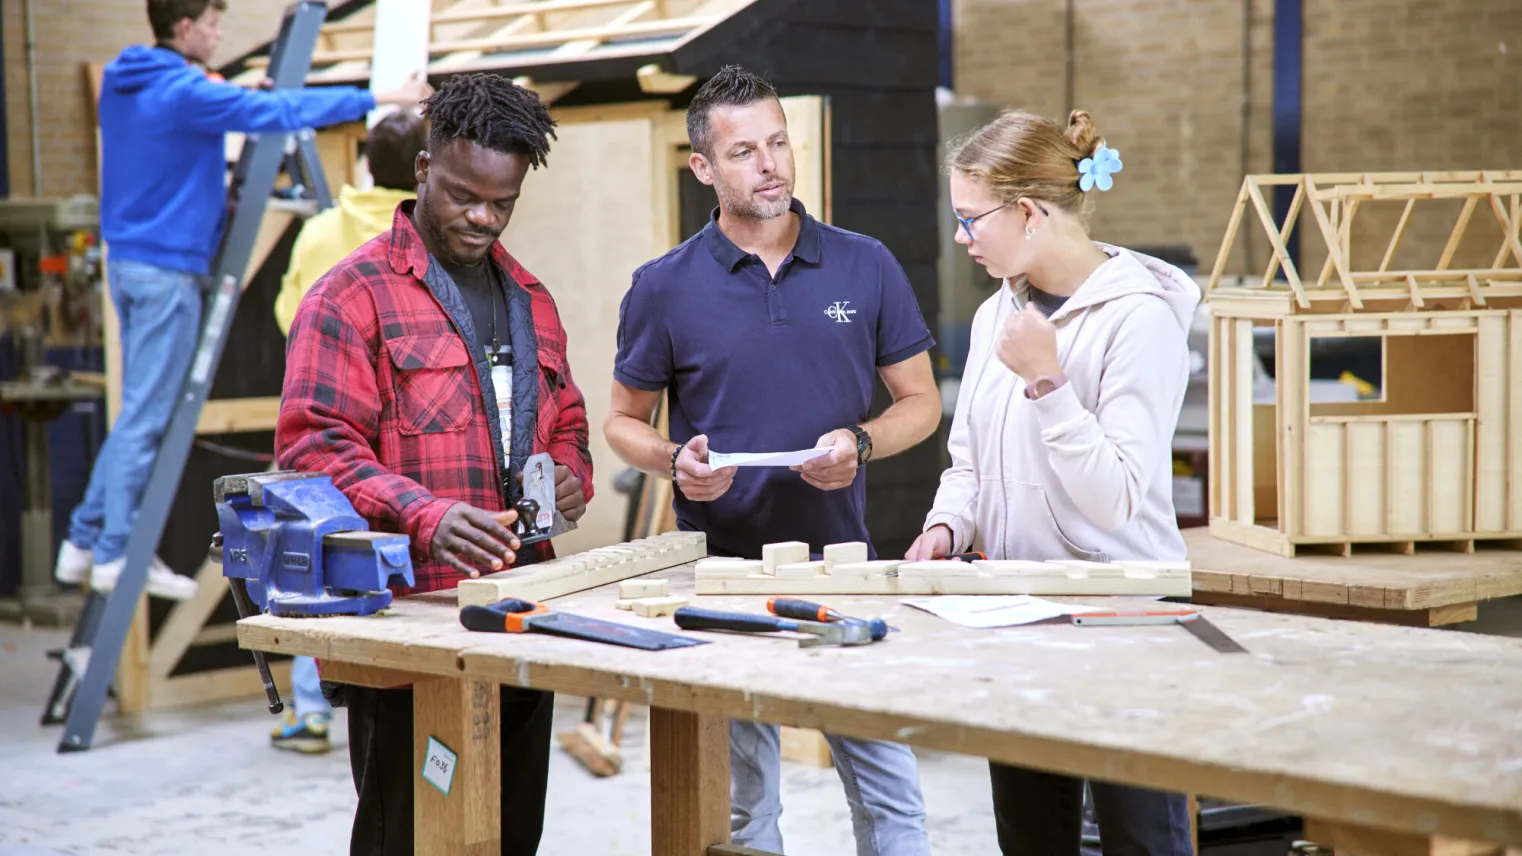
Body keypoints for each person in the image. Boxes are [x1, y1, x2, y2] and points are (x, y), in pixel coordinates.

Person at [605, 65, 941, 856]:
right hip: (717, 577)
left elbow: (921, 404)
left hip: (841, 565)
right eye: (746, 150)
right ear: (704, 168)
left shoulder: (866, 264)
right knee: (744, 809)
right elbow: (621, 420)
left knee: (893, 800)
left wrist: (859, 443)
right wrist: (674, 462)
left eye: (779, 143)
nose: (772, 165)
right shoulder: (663, 287)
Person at [275, 72, 592, 856]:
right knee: (408, 836)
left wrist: (568, 469)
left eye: (503, 203)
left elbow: (569, 418)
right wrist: (429, 515)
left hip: (520, 616)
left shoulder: (533, 300)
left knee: (511, 835)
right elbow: (313, 447)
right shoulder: (349, 298)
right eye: (463, 196)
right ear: (422, 171)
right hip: (403, 628)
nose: (483, 218)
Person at [52, 0, 431, 600]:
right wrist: (380, 94)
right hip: (169, 272)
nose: (220, 32)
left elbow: (188, 104)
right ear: (186, 28)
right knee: (148, 419)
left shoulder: (131, 80)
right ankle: (117, 551)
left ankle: (84, 539)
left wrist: (218, 86)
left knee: (135, 414)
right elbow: (278, 110)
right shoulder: (188, 95)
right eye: (213, 24)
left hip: (128, 263)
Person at [908, 108, 1199, 855]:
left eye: (970, 219)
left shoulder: (1139, 319)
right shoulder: (994, 316)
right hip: (1018, 613)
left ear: (1029, 212)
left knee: (1141, 839)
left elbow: (1117, 497)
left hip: (1124, 619)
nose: (960, 237)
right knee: (1031, 837)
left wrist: (1048, 380)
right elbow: (968, 457)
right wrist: (949, 525)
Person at [267, 109, 429, 755]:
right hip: (410, 443)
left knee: (316, 563)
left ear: (364, 163)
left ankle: (313, 711)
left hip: (333, 433)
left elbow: (288, 313)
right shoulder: (427, 237)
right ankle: (403, 689)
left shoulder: (320, 232)